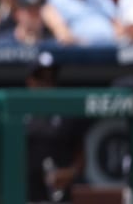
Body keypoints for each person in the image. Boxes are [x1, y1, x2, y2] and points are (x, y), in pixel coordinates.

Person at [25, 51, 89, 203]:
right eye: (41, 78)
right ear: (30, 81)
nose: (46, 84)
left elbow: (80, 157)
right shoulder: (17, 115)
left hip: (58, 195)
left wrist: (70, 173)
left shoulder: (66, 115)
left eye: (51, 79)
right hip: (24, 195)